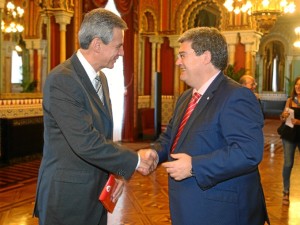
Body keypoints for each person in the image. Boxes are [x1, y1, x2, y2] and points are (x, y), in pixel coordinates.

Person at [33, 8, 157, 225]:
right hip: (67, 199)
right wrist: (135, 161)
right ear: (97, 44)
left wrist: (115, 173)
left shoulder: (102, 80)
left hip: (96, 193)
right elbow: (85, 142)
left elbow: (102, 136)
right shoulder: (62, 80)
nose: (122, 53)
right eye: (118, 46)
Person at [149, 27, 270, 225]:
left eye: (183, 55)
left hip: (221, 212)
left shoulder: (236, 96)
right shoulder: (186, 97)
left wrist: (194, 166)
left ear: (205, 56)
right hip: (191, 207)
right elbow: (171, 137)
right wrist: (155, 153)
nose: (178, 62)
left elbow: (248, 152)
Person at [279, 76, 300, 205]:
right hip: (289, 135)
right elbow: (282, 118)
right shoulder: (290, 100)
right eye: (297, 84)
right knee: (288, 164)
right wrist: (284, 116)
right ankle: (286, 192)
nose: (298, 87)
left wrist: (299, 122)